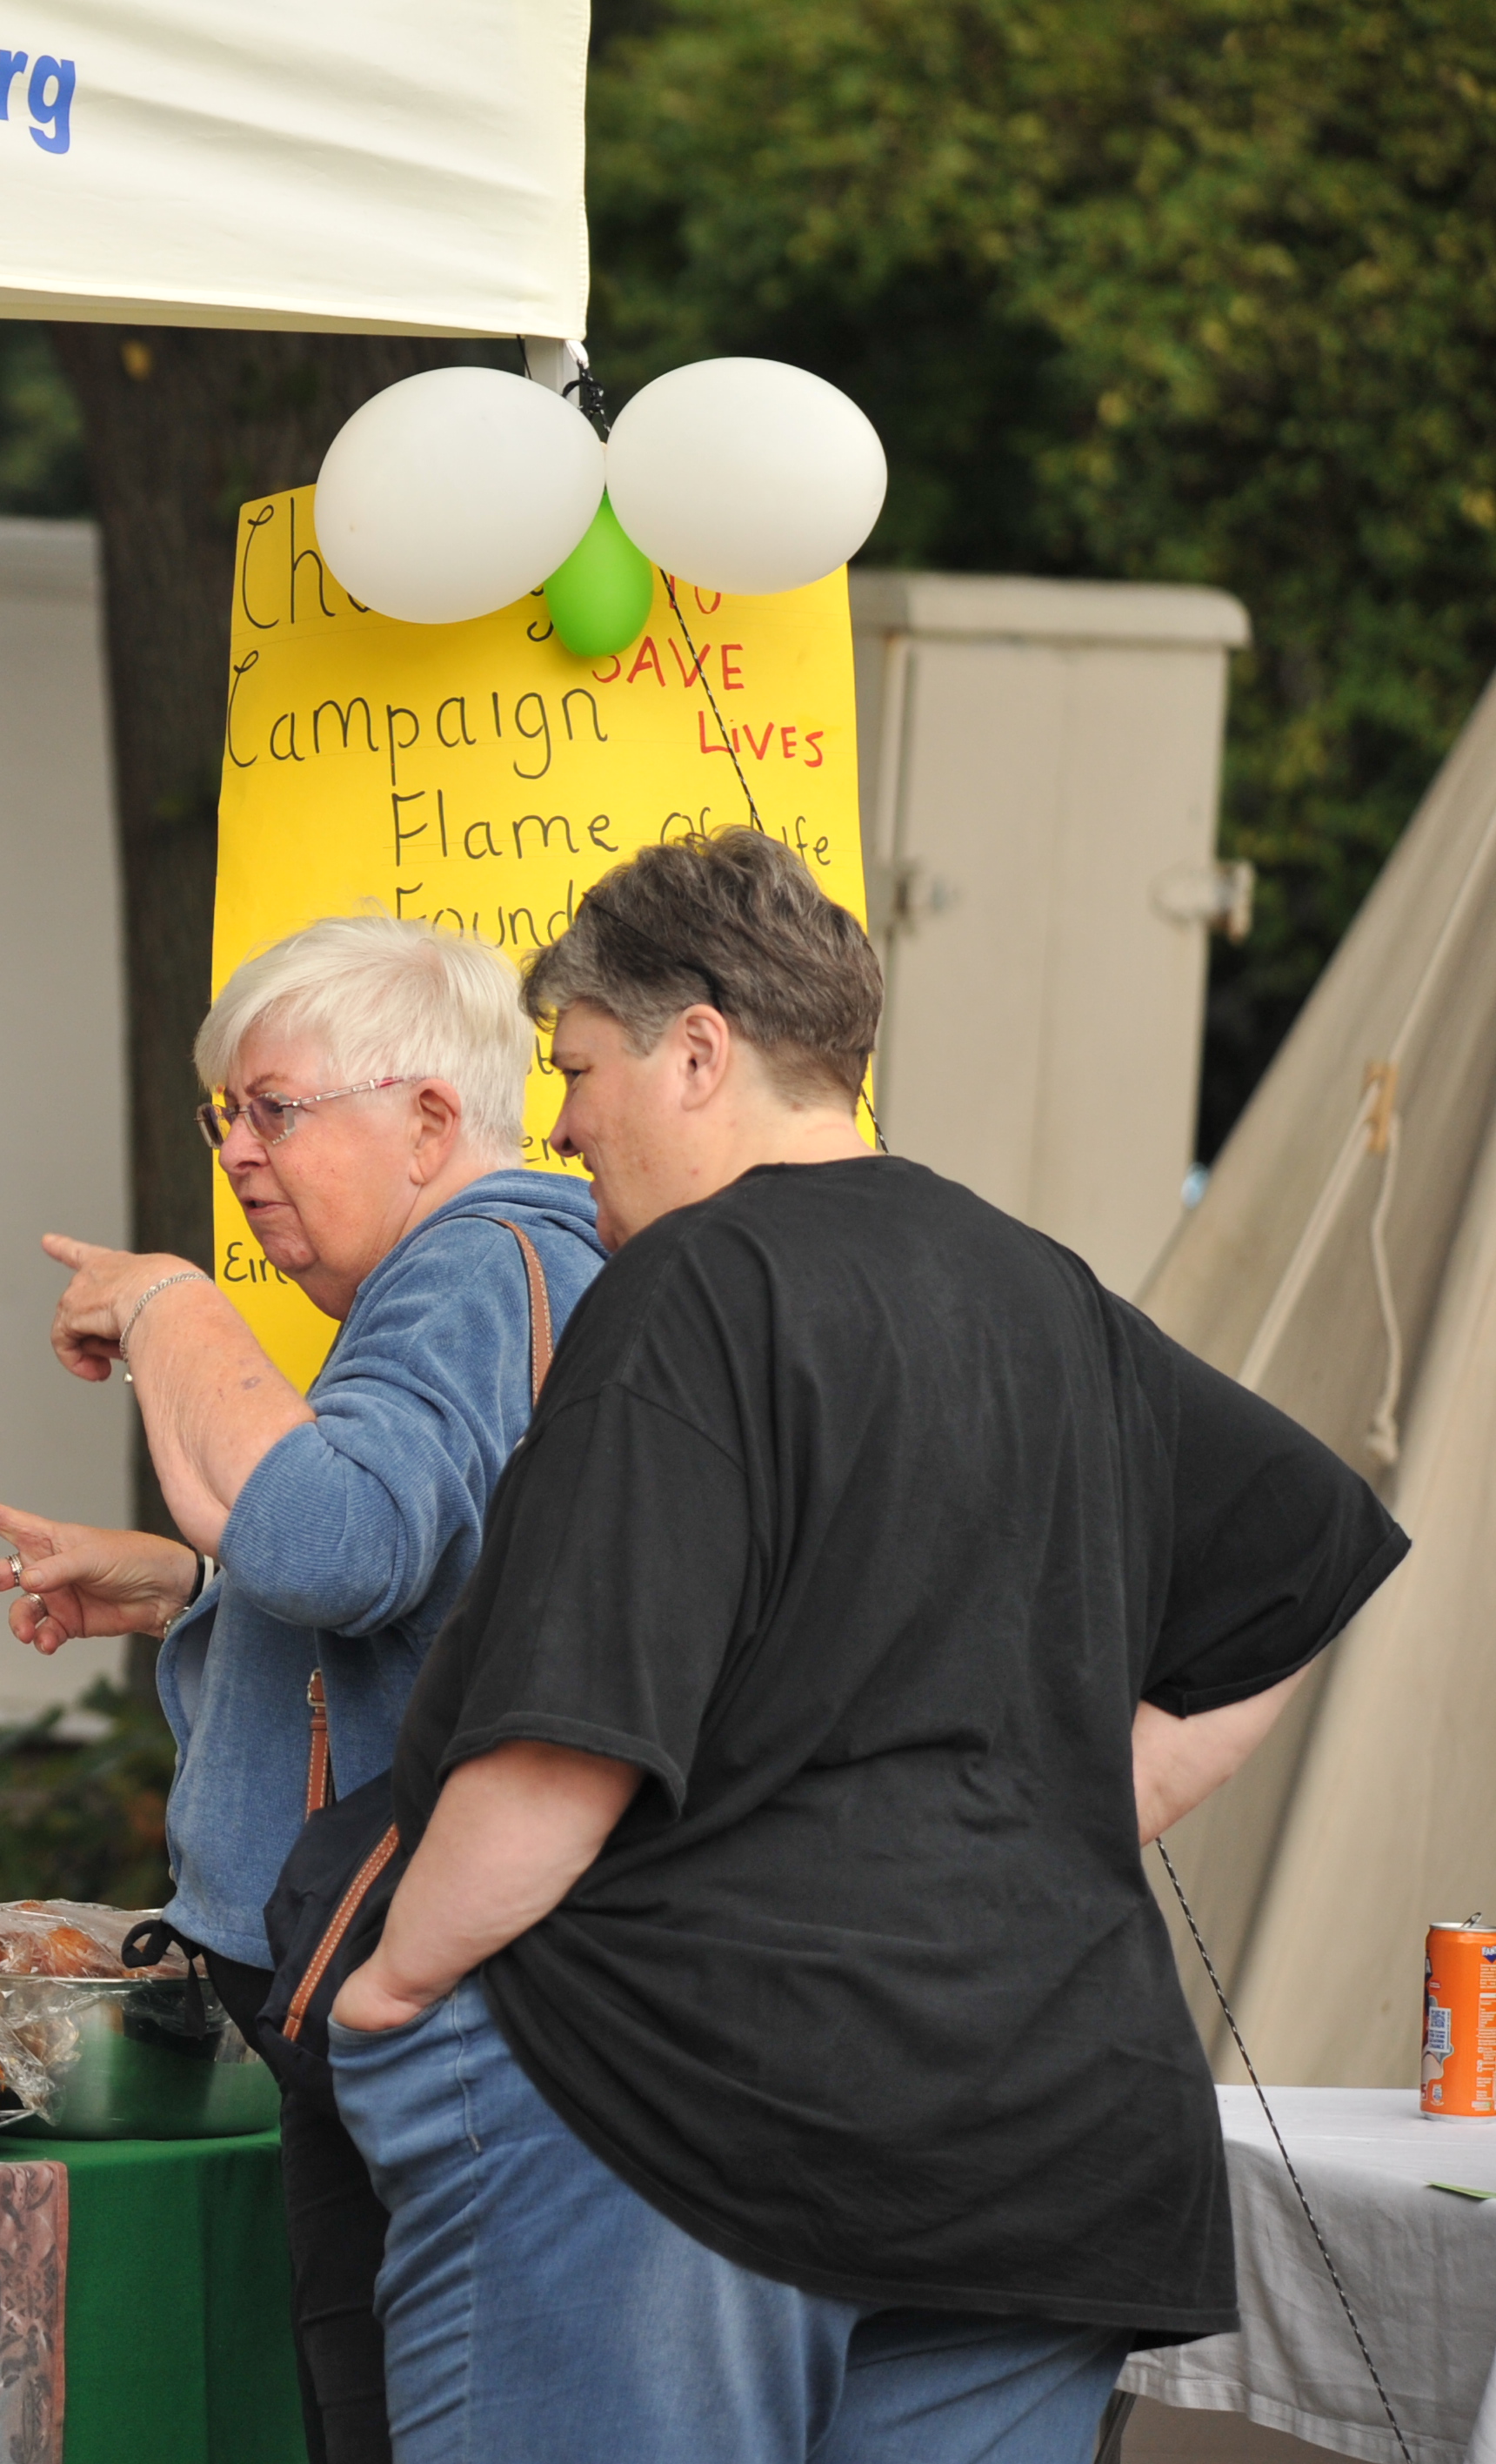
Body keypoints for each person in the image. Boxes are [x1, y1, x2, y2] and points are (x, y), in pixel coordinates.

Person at [327, 831, 1408, 2464]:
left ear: (698, 1049)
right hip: (1046, 2134)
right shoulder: (1042, 1288)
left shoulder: (688, 1286)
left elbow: (559, 1750)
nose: (560, 1125)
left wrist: (392, 1986)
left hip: (683, 2115)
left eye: (580, 1067)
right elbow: (1307, 1549)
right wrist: (1078, 1802)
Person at [0, 914, 602, 2461]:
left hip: (409, 1996)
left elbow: (337, 1544)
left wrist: (171, 1305)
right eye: (225, 1113)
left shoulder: (465, 1271)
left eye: (277, 1109)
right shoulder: (500, 1268)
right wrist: (188, 1586)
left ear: (430, 1119)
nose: (238, 1150)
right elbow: (441, 1595)